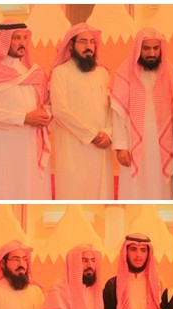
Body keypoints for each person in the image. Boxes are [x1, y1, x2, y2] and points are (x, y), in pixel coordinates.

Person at [0, 20, 51, 200]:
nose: (22, 42)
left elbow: (46, 102)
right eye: (16, 38)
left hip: (32, 142)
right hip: (3, 145)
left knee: (31, 188)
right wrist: (23, 118)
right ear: (3, 40)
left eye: (24, 38)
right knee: (6, 188)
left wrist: (46, 114)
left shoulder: (34, 71)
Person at [110, 28, 173, 199]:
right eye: (146, 48)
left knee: (163, 188)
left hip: (164, 142)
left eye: (156, 48)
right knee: (135, 189)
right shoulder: (124, 72)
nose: (152, 53)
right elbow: (117, 113)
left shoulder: (170, 71)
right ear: (138, 49)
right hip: (133, 143)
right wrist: (121, 147)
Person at [50, 23, 113, 199]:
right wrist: (92, 134)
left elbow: (111, 108)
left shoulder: (103, 73)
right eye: (83, 42)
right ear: (71, 45)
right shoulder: (60, 73)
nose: (88, 46)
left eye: (92, 42)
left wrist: (108, 133)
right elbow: (60, 111)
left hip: (102, 147)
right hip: (74, 149)